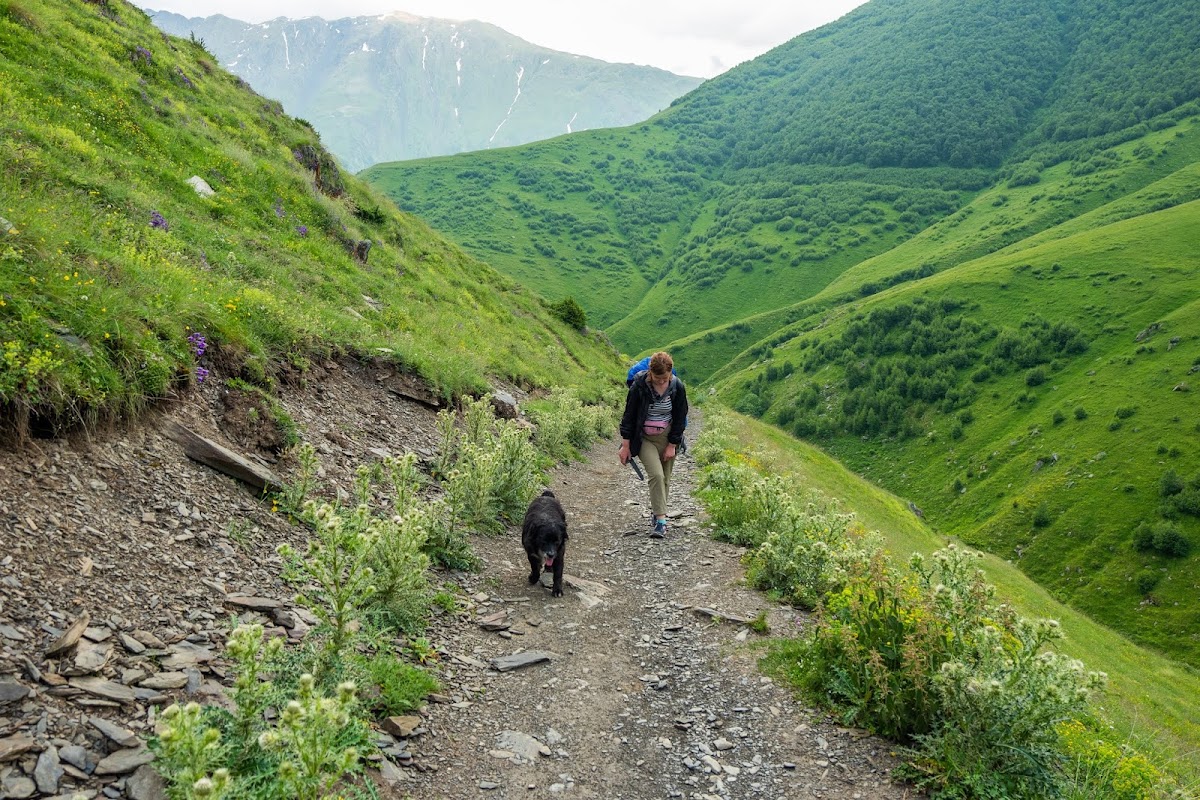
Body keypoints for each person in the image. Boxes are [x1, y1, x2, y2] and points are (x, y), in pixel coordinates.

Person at [618, 351, 689, 538]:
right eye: (657, 378)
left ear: (670, 373)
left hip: (667, 437)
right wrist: (626, 446)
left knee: (665, 479)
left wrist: (672, 444)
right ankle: (661, 522)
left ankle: (658, 513)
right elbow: (629, 417)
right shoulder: (639, 386)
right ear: (650, 372)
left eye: (665, 378)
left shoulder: (677, 387)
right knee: (656, 475)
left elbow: (680, 417)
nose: (661, 382)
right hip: (644, 438)